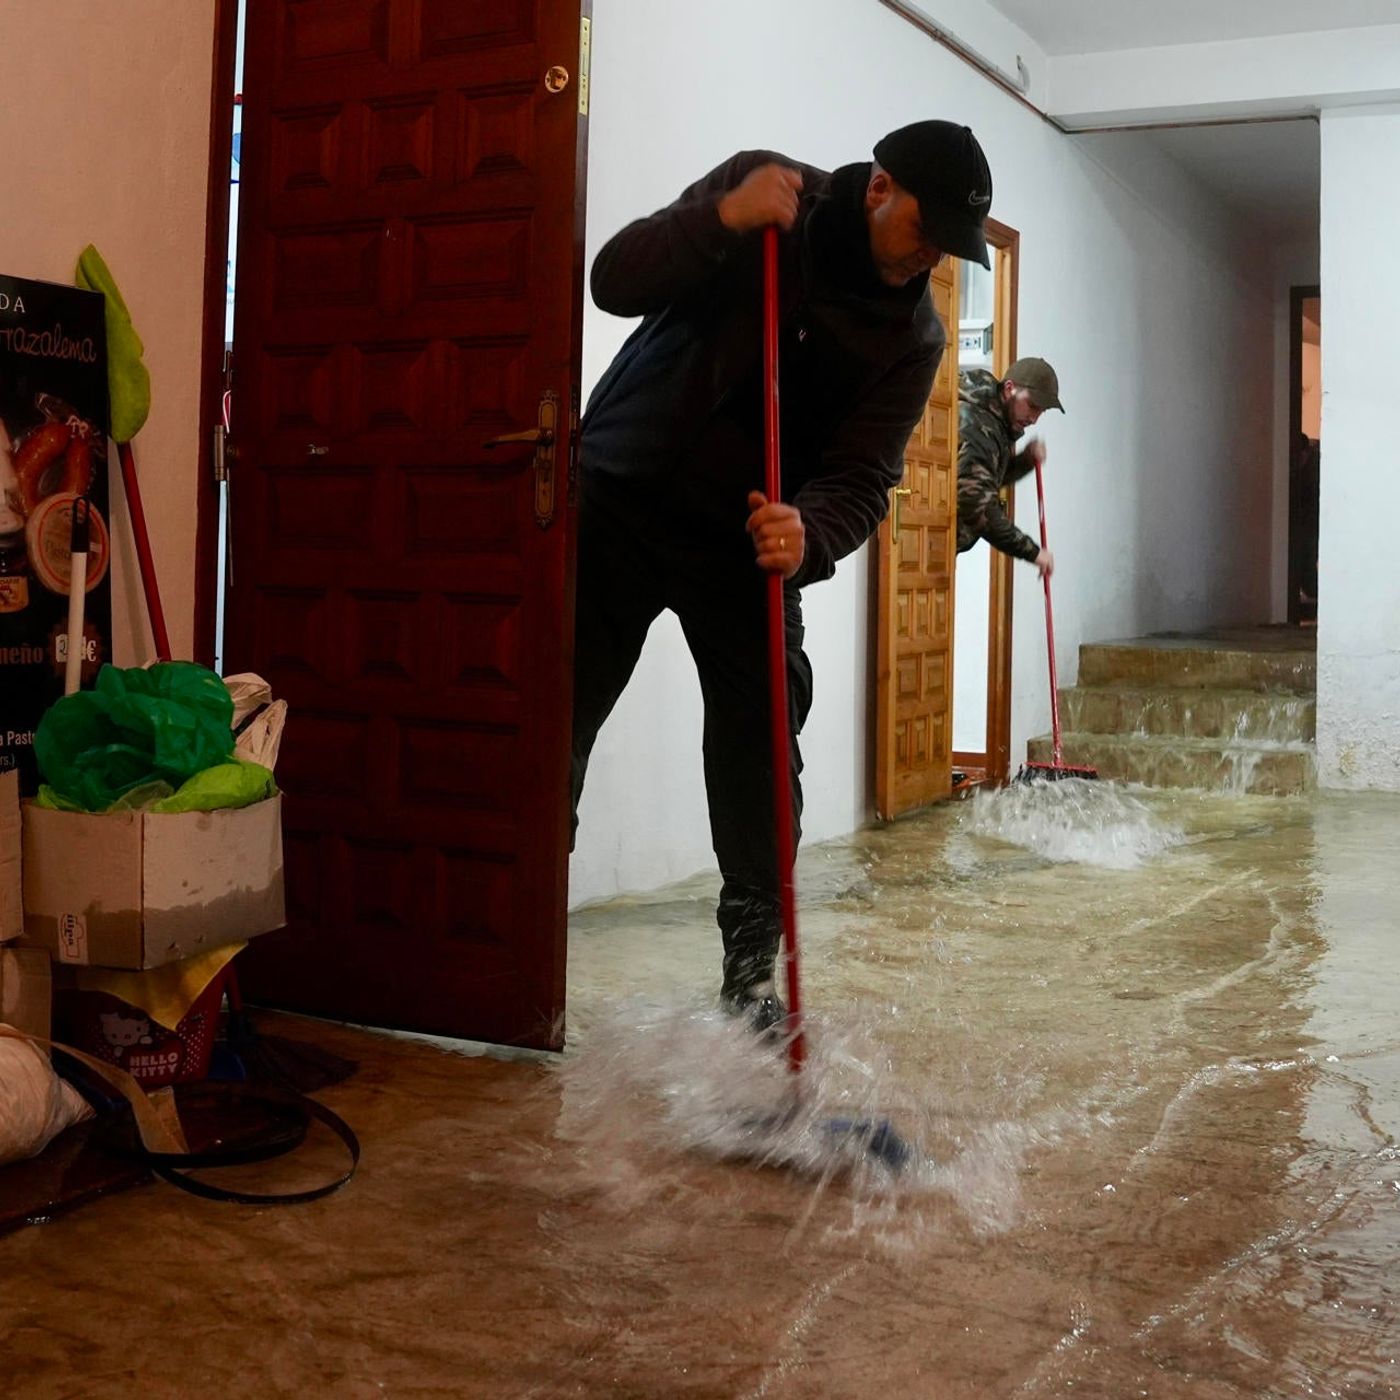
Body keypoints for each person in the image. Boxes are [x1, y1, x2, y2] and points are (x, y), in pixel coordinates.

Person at [571, 121, 994, 1030]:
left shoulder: (913, 337)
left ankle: (752, 981)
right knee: (556, 721)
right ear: (880, 188)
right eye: (926, 229)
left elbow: (864, 477)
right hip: (618, 499)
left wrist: (810, 535)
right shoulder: (770, 202)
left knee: (762, 752)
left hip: (748, 548)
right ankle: (516, 945)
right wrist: (721, 217)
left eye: (948, 249)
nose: (930, 258)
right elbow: (615, 280)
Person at [955, 357, 1064, 574]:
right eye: (1032, 406)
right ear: (1009, 389)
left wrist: (1025, 461)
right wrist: (1032, 552)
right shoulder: (979, 425)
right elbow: (976, 504)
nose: (1034, 418)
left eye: (1041, 411)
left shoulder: (992, 420)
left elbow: (985, 477)